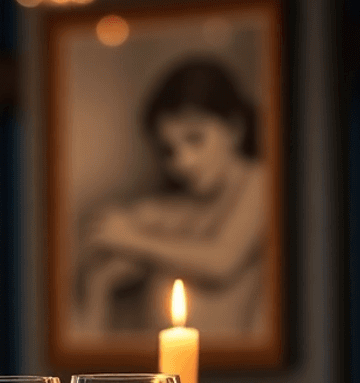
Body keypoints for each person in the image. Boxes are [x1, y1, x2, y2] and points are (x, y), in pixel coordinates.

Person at [78, 57, 267, 336]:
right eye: (169, 149)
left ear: (234, 128)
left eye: (195, 138)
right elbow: (101, 279)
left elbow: (221, 261)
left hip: (236, 368)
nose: (183, 161)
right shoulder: (171, 210)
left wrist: (131, 239)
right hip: (161, 371)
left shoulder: (260, 181)